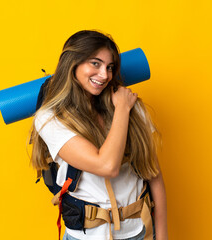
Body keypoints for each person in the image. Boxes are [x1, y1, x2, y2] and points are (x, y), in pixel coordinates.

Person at [30, 30, 167, 240]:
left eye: (110, 67)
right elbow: (106, 166)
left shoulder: (133, 108)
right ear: (73, 63)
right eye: (95, 63)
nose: (104, 75)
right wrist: (122, 109)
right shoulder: (50, 118)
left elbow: (153, 174)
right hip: (86, 236)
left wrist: (163, 236)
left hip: (139, 232)